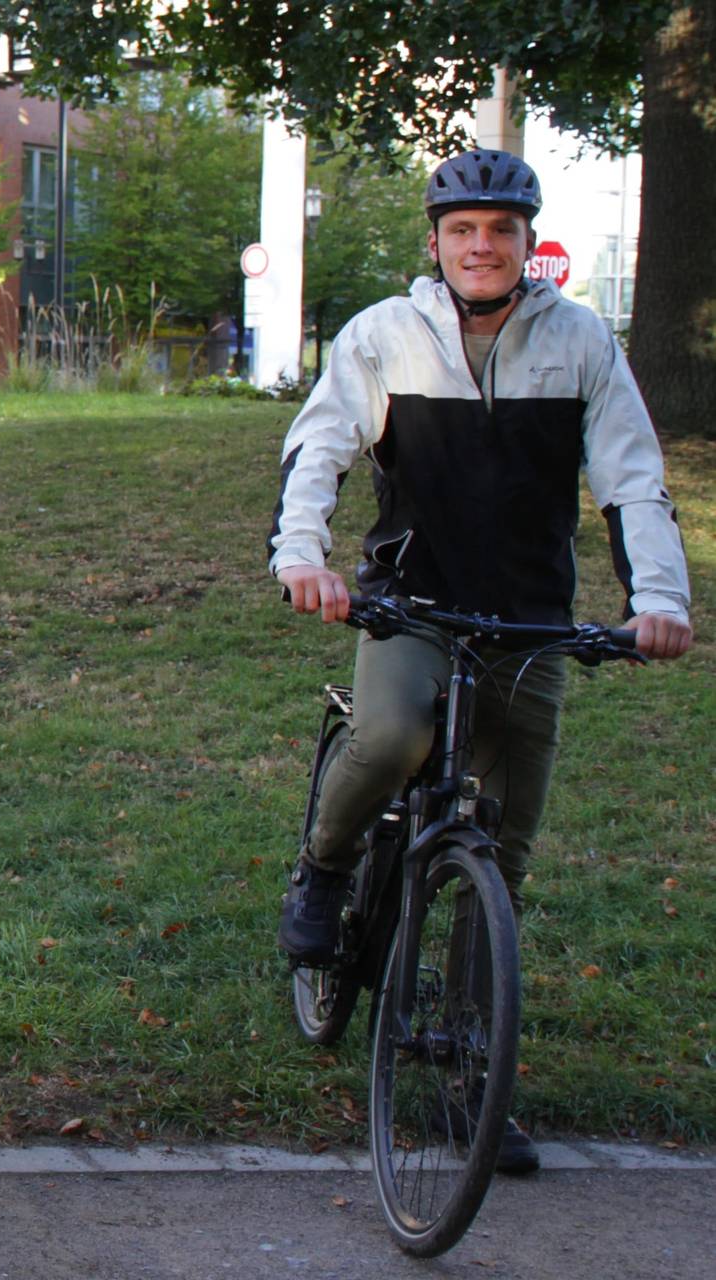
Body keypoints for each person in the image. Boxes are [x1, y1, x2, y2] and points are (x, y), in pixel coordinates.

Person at [269, 149, 693, 1173]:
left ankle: (471, 1076)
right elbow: (318, 446)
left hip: (531, 619)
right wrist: (302, 557)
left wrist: (662, 600)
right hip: (413, 604)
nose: (482, 245)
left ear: (527, 241)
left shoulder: (580, 341)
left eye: (501, 229)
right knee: (389, 735)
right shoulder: (384, 336)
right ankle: (324, 866)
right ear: (436, 242)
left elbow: (633, 477)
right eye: (463, 229)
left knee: (499, 855)